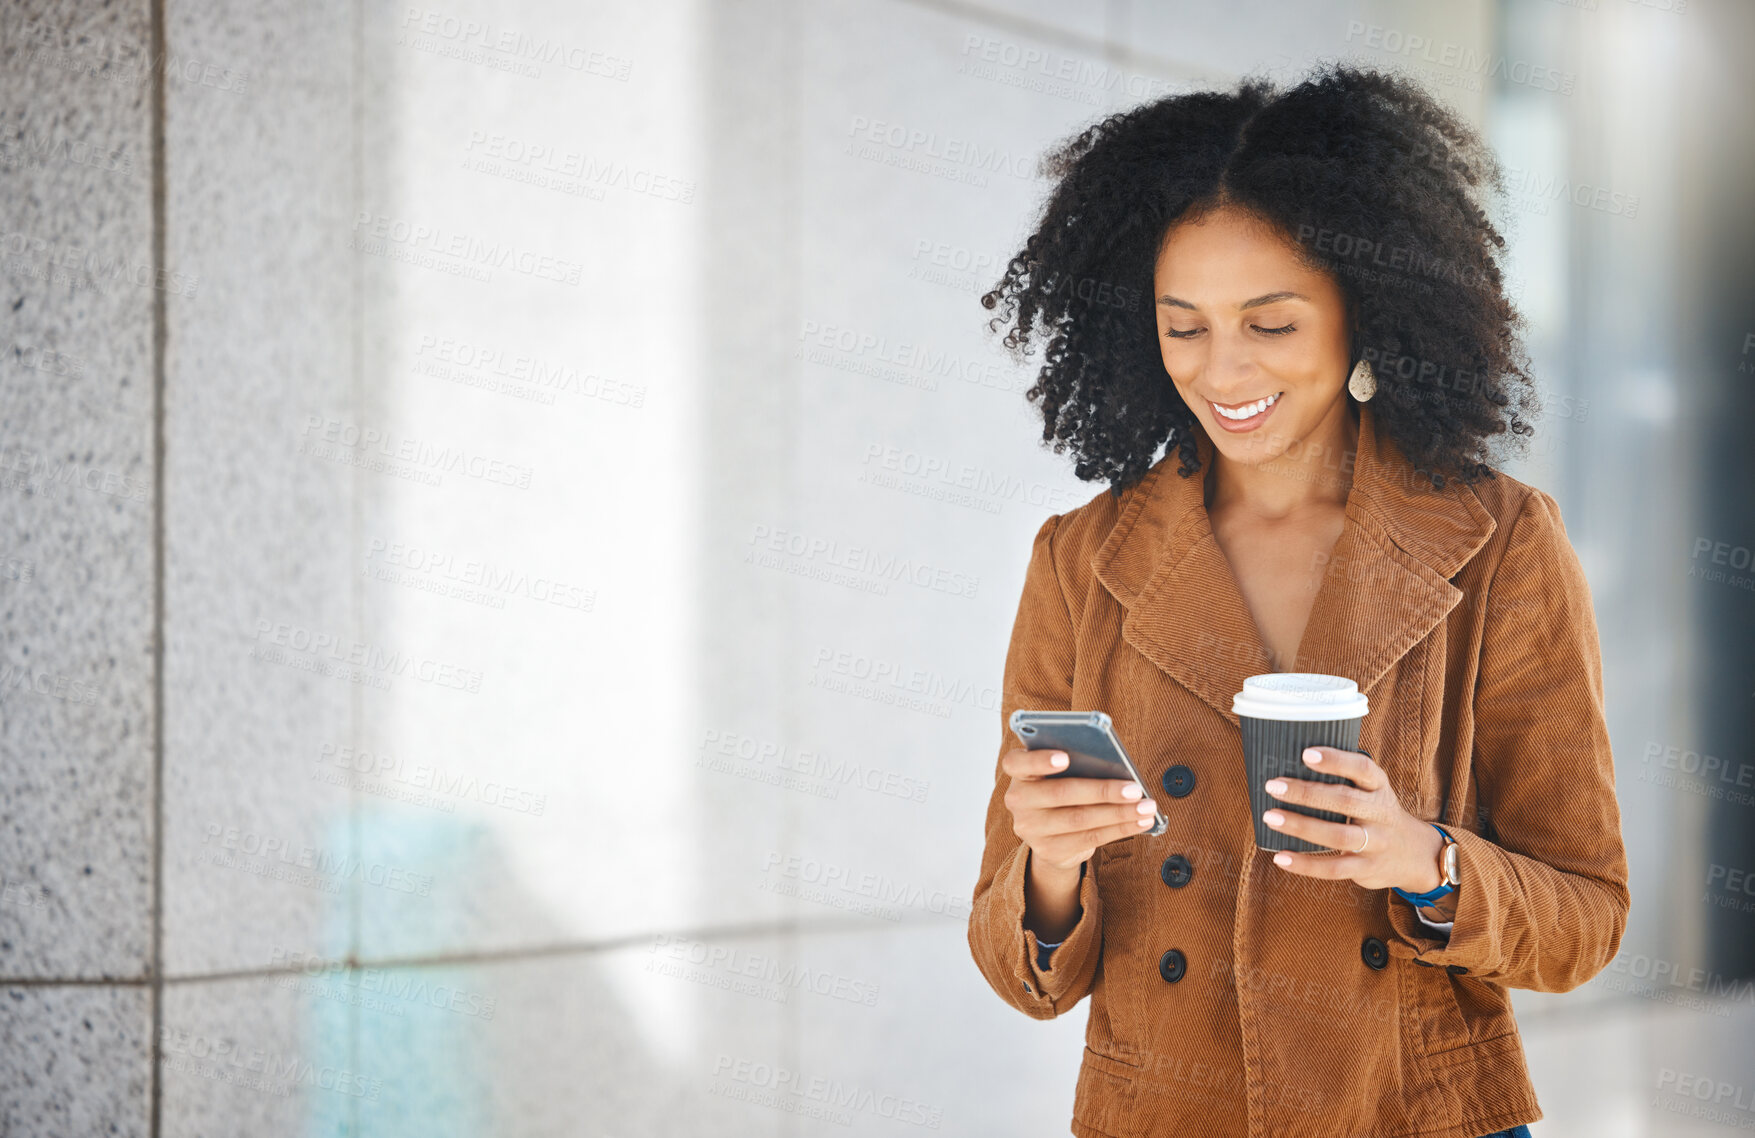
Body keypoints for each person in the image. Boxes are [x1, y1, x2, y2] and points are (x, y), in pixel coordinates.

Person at [967, 62, 1628, 1138]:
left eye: (1270, 324)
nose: (1224, 371)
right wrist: (1049, 861)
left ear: (1365, 314)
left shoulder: (1499, 542)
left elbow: (1585, 919)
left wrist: (1421, 858)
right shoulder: (1080, 561)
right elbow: (1020, 968)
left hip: (1413, 1112)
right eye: (1184, 326)